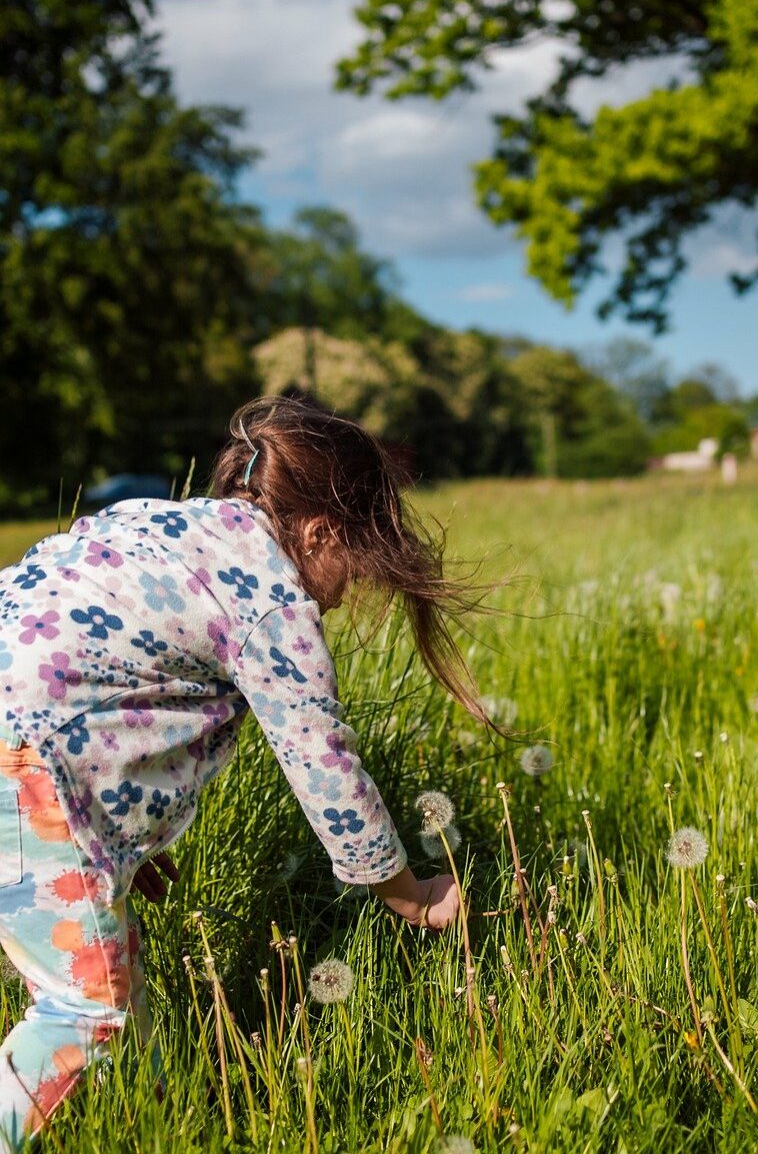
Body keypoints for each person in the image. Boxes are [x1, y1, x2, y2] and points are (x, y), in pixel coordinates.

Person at [0, 394, 504, 1150]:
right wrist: (408, 892)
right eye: (355, 561)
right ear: (319, 531)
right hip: (29, 769)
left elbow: (86, 664)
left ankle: (164, 1124)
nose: (349, 588)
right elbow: (324, 764)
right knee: (88, 1010)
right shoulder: (271, 596)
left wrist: (109, 833)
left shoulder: (158, 523)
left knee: (121, 994)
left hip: (34, 765)